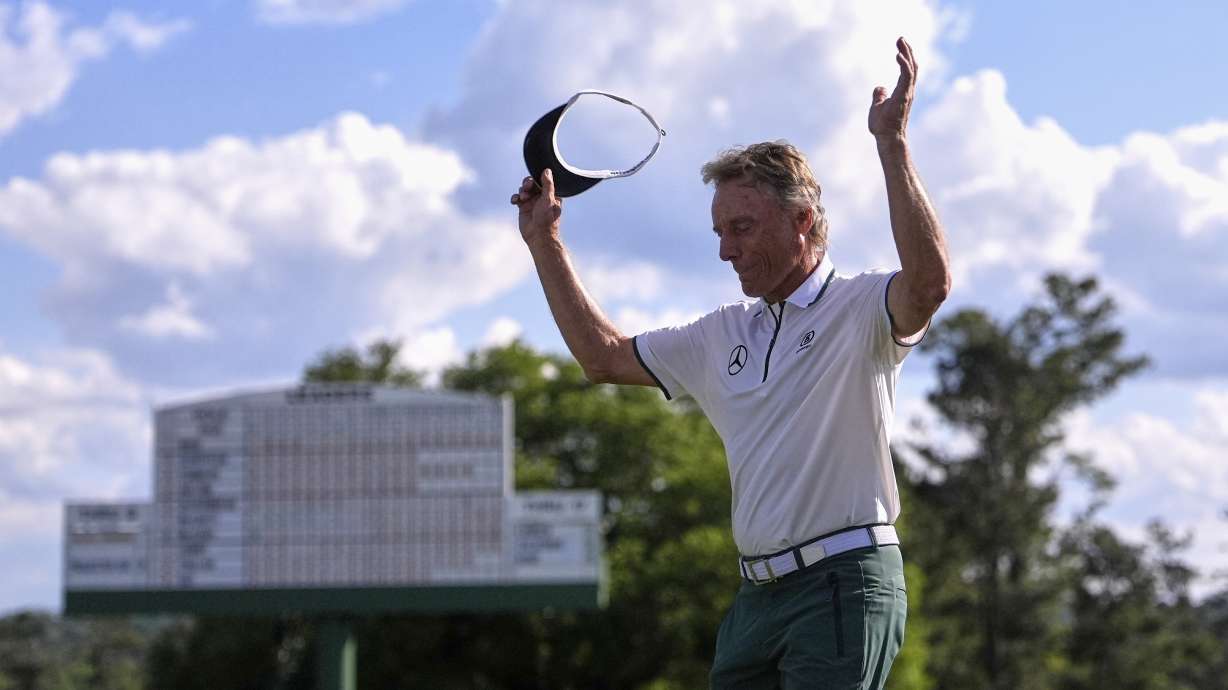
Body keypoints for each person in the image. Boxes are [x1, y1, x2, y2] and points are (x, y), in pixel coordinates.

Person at [510, 36, 949, 690]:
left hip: (845, 582)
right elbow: (602, 358)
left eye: (741, 228)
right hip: (755, 600)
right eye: (718, 232)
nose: (725, 250)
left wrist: (892, 146)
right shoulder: (721, 334)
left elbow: (930, 286)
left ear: (802, 220)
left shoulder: (860, 307)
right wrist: (544, 242)